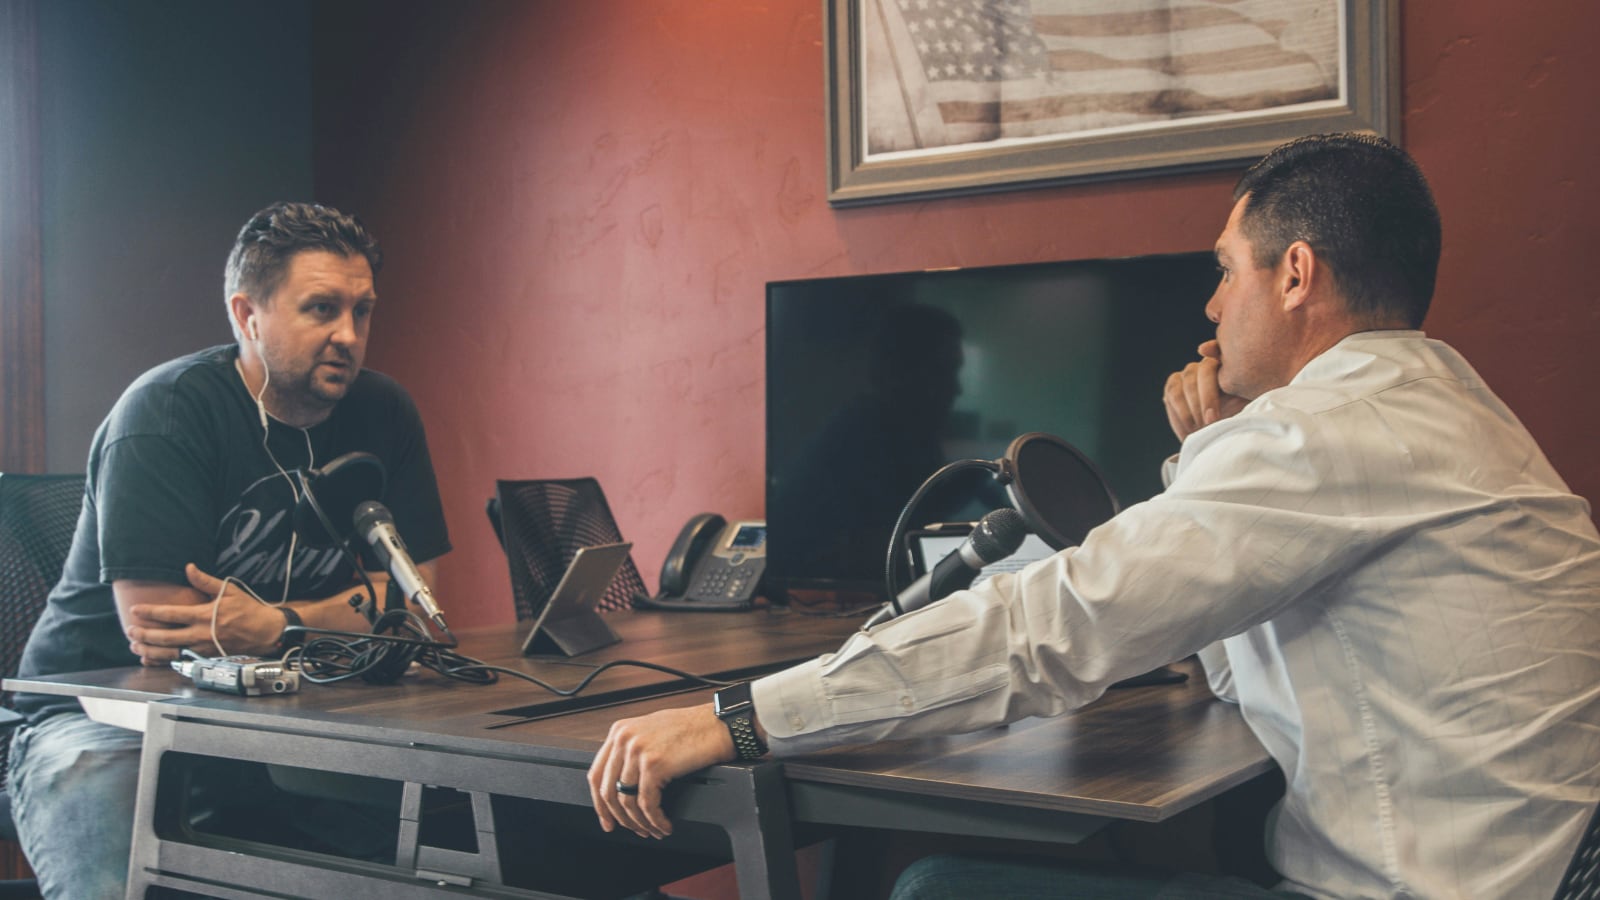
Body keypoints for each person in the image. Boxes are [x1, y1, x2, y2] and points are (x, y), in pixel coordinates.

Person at [586, 133, 1600, 899]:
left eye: (1223, 267)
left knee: (940, 890)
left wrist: (735, 718)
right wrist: (1206, 455)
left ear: (1294, 274)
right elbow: (1216, 652)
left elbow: (1045, 629)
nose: (1209, 307)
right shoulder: (1445, 407)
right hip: (1530, 870)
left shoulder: (1318, 434)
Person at [10, 202, 451, 899]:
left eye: (362, 311)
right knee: (115, 850)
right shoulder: (165, 413)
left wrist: (276, 625)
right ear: (248, 315)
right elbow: (164, 634)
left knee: (440, 836)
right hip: (98, 712)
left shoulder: (384, 412)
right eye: (321, 308)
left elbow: (411, 602)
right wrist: (343, 617)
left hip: (290, 705)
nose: (348, 335)